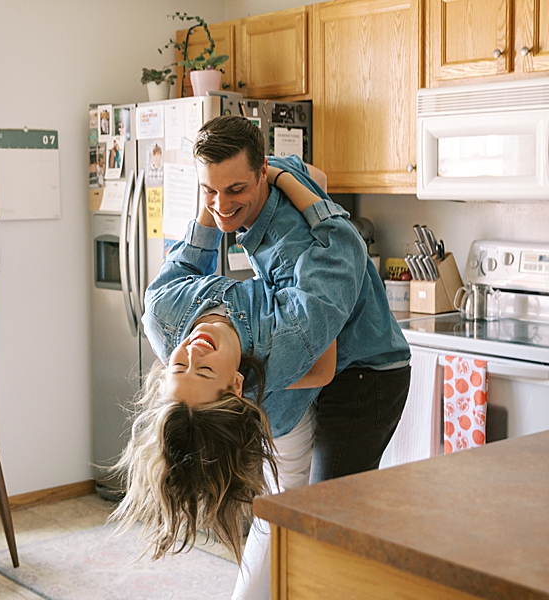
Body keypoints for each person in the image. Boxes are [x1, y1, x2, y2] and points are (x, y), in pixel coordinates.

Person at [112, 115, 411, 600]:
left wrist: (217, 206)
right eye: (210, 190)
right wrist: (286, 180)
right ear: (233, 389)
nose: (191, 351)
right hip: (336, 370)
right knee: (305, 519)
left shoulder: (166, 318)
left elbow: (192, 257)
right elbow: (340, 259)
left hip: (368, 375)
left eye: (234, 189)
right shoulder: (282, 333)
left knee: (318, 521)